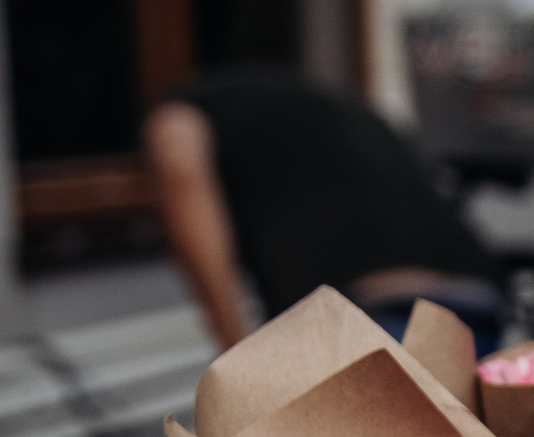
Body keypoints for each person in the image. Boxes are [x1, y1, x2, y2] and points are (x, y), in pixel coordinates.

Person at [144, 67, 500, 352]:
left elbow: (179, 164)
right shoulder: (332, 102)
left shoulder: (182, 112)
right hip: (475, 296)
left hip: (370, 312)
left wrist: (236, 356)